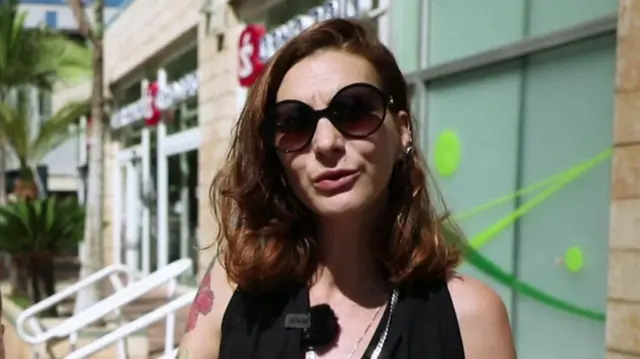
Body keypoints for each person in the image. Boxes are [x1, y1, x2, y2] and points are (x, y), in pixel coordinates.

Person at [180, 18, 516, 359]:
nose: (326, 143)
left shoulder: (470, 317)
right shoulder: (230, 290)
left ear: (402, 131)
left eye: (354, 110)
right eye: (294, 123)